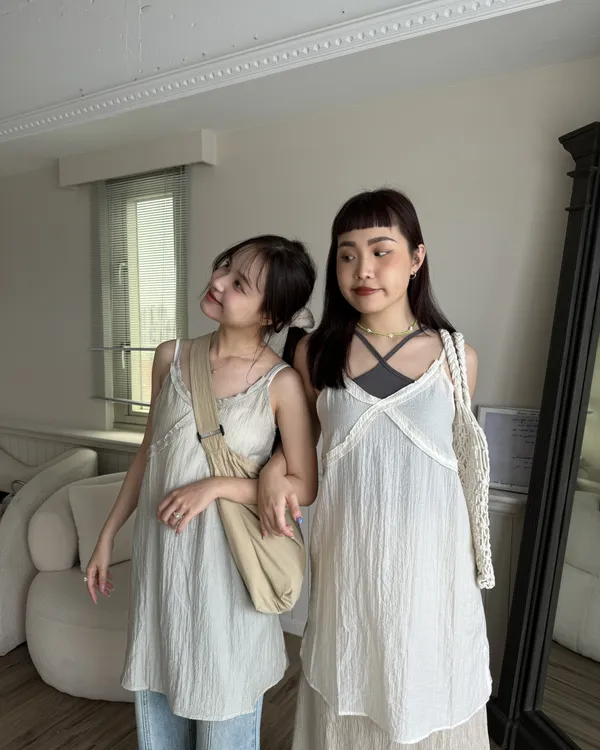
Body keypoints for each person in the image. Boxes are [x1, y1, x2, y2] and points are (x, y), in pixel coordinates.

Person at [259, 189, 493, 750]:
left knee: (430, 685)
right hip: (351, 565)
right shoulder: (314, 353)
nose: (362, 269)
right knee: (350, 679)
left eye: (381, 250)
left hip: (435, 572)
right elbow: (302, 446)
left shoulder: (457, 357)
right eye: (347, 254)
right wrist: (272, 469)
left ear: (416, 258)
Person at [85, 235, 319, 750]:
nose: (217, 283)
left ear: (270, 314)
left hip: (228, 575)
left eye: (239, 283)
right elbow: (147, 456)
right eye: (224, 267)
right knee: (160, 707)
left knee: (224, 713)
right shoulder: (171, 357)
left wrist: (216, 487)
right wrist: (107, 536)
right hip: (163, 566)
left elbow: (304, 484)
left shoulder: (279, 384)